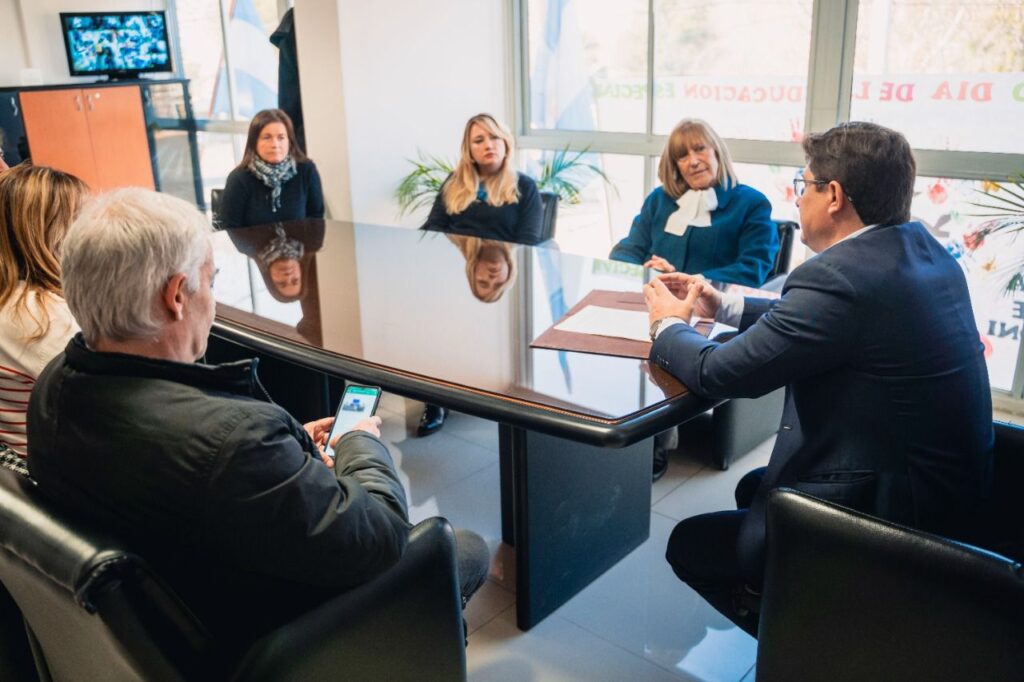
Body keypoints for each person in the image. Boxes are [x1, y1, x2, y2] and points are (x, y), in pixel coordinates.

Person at [27, 189, 488, 655]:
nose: (212, 296)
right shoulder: (236, 445)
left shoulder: (54, 388)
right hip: (266, 638)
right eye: (210, 280)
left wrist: (289, 453)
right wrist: (355, 443)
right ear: (176, 298)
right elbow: (384, 536)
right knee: (462, 549)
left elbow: (204, 476)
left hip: (175, 617)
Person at [643, 122, 993, 637]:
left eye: (802, 185)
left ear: (833, 196)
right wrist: (725, 304)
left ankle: (802, 640)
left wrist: (665, 325)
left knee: (690, 544)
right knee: (751, 487)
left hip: (891, 525)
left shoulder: (842, 277)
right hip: (950, 497)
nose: (798, 197)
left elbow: (717, 375)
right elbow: (819, 320)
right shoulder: (920, 251)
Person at [611, 118, 778, 287]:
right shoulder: (658, 199)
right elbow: (628, 250)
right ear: (676, 166)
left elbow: (753, 269)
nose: (693, 162)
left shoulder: (752, 203)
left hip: (713, 308)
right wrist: (646, 271)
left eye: (700, 149)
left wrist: (686, 282)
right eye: (682, 156)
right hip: (654, 297)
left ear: (717, 152)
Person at [0, 164, 89, 469]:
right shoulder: (46, 322)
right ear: (46, 233)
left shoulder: (13, 299)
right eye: (79, 219)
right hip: (59, 474)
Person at [421, 113, 543, 246]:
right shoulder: (455, 180)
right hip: (455, 260)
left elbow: (527, 242)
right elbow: (433, 226)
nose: (489, 146)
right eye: (479, 141)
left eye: (495, 137)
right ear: (469, 152)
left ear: (506, 144)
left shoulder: (525, 186)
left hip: (499, 263)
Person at [219, 108, 324, 229]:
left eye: (281, 137)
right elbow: (229, 229)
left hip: (299, 247)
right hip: (252, 247)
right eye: (267, 137)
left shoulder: (306, 170)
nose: (275, 144)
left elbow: (316, 221)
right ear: (254, 142)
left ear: (290, 141)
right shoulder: (239, 179)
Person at [448, 234, 517, 303]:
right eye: (498, 285)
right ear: (509, 276)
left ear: (472, 271)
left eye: (483, 283)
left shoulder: (454, 233)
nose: (492, 279)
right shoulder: (523, 234)